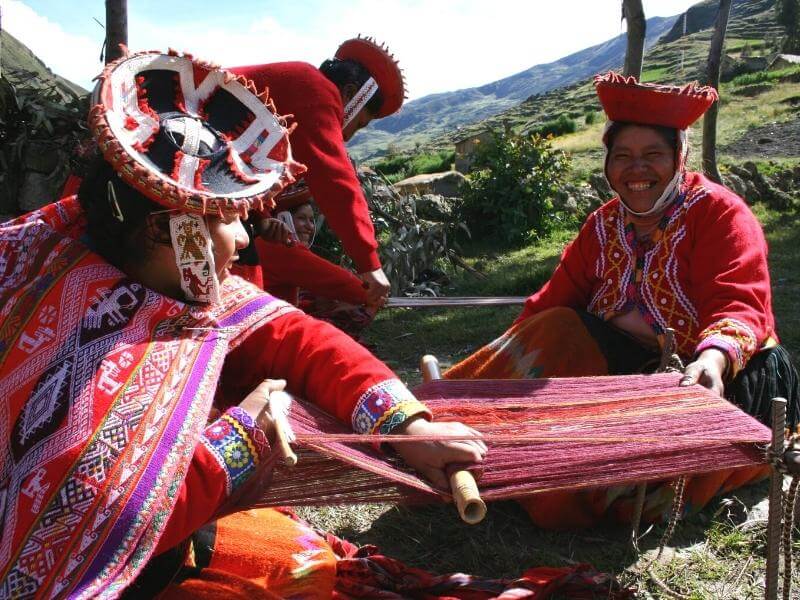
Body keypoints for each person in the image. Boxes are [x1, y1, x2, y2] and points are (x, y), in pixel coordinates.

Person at [0, 50, 487, 599]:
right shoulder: (88, 342)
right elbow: (89, 524)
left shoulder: (122, 261)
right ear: (171, 233)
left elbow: (295, 340)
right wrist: (240, 440)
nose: (245, 239)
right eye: (231, 219)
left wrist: (407, 426)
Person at [445, 71, 800, 529]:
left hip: (719, 383)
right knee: (557, 327)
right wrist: (496, 379)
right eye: (623, 156)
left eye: (653, 155)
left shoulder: (719, 212)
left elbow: (740, 303)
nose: (637, 170)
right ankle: (443, 422)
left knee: (619, 491)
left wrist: (711, 361)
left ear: (679, 158)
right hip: (635, 375)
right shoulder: (603, 224)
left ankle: (549, 472)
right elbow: (550, 307)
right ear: (608, 163)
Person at [230, 36, 406, 309]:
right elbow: (335, 179)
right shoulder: (315, 88)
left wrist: (262, 219)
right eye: (358, 125)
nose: (347, 137)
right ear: (348, 94)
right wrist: (369, 263)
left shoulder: (297, 92)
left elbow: (237, 167)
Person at [253, 181, 376, 339]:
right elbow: (340, 283)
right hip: (267, 334)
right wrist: (372, 294)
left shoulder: (263, 244)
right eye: (302, 219)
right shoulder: (280, 246)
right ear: (282, 219)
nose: (310, 227)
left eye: (311, 220)